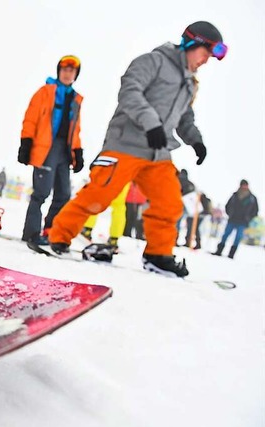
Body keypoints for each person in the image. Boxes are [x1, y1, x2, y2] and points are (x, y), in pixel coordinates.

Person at [48, 21, 228, 277]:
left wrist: (196, 141)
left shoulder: (190, 84)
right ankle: (58, 237)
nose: (207, 60)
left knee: (169, 203)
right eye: (205, 53)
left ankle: (158, 254)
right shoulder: (153, 61)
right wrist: (151, 123)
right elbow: (130, 91)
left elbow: (185, 118)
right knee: (98, 195)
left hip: (158, 152)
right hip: (125, 144)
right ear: (192, 43)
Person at [18, 55, 85, 245]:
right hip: (46, 148)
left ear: (75, 75)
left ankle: (49, 231)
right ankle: (31, 233)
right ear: (59, 72)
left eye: (71, 71)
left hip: (65, 152)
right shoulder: (45, 92)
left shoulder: (76, 99)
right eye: (64, 70)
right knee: (41, 192)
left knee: (63, 195)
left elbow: (76, 129)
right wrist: (26, 143)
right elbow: (30, 118)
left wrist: (78, 152)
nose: (67, 74)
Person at [213, 180, 259, 259]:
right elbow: (227, 205)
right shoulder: (234, 195)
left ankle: (231, 254)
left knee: (237, 238)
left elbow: (255, 211)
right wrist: (230, 214)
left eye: (245, 185)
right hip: (232, 219)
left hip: (243, 222)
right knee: (225, 235)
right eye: (243, 185)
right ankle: (219, 251)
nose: (244, 187)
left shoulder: (252, 198)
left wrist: (248, 218)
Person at [80, 183, 131, 251]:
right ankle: (114, 238)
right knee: (119, 206)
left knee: (96, 198)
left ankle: (87, 229)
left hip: (108, 176)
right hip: (125, 178)